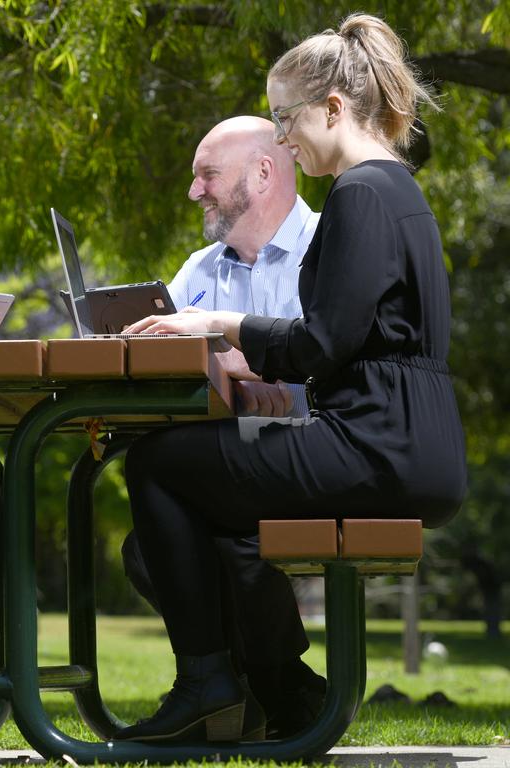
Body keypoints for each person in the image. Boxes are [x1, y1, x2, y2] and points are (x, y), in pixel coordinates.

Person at [115, 13, 466, 743]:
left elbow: (320, 344)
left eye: (286, 118)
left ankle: (209, 682)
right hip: (409, 442)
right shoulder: (397, 189)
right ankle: (284, 694)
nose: (283, 138)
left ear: (334, 110)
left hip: (377, 444)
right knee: (218, 511)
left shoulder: (361, 193)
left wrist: (213, 324)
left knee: (156, 460)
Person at [119, 115, 324, 739]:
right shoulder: (200, 270)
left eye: (207, 174)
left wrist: (271, 381)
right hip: (224, 463)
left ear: (263, 173)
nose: (194, 191)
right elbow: (171, 364)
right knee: (149, 548)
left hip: (317, 456)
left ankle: (242, 689)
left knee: (211, 539)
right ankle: (276, 688)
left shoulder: (330, 249)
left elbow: (348, 365)